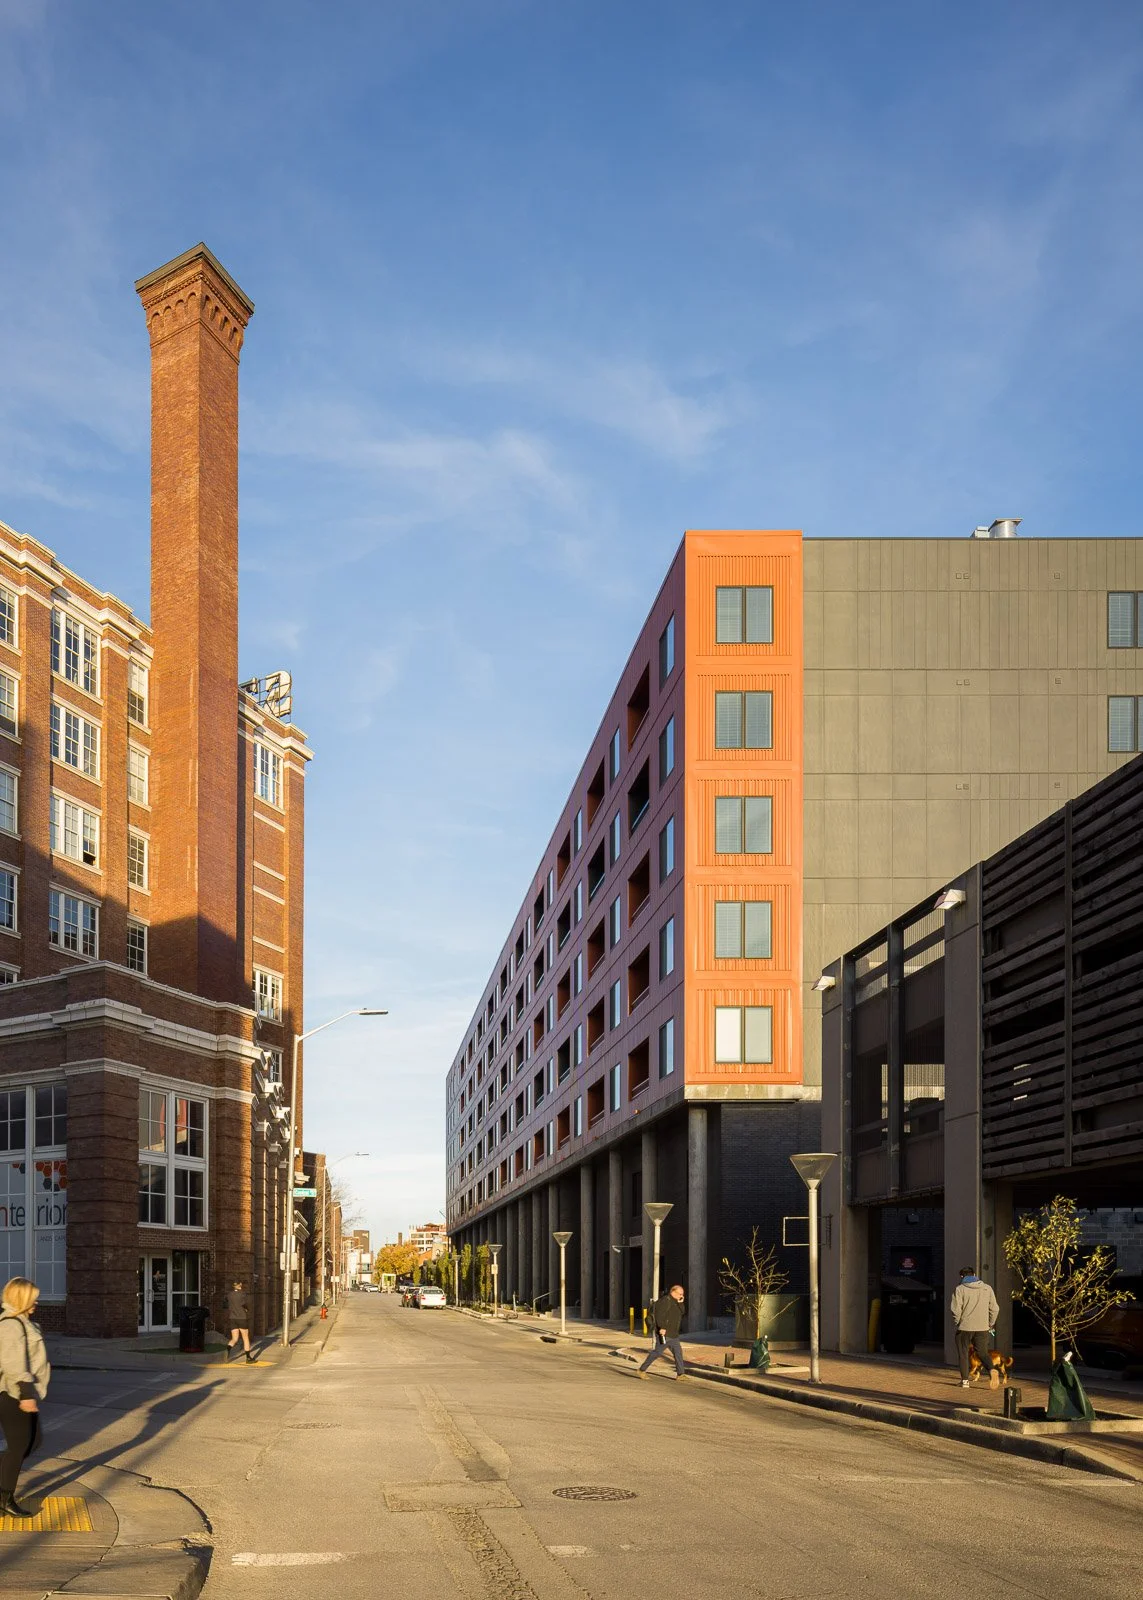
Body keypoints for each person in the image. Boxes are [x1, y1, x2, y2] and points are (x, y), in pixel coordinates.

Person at [0, 1277, 51, 1517]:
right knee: (20, 1446)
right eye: (33, 1297)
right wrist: (26, 1395)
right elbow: (14, 1364)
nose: (37, 1301)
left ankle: (4, 1482)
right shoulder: (11, 1325)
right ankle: (5, 1498)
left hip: (23, 1393)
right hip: (14, 1394)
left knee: (32, 1442)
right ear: (21, 1299)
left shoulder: (23, 1322)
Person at [950, 1266, 999, 1388]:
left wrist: (958, 1322)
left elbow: (955, 1309)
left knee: (963, 1354)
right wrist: (990, 1323)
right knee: (982, 1353)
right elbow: (995, 1308)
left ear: (962, 1277)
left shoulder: (960, 1289)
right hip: (982, 1327)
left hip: (965, 1328)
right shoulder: (987, 1288)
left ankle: (965, 1381)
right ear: (975, 1274)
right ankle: (991, 1369)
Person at [636, 1285, 687, 1380]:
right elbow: (659, 1316)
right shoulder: (665, 1301)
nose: (682, 1296)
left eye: (682, 1294)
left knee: (678, 1353)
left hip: (673, 1334)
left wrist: (681, 1303)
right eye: (680, 1294)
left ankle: (680, 1374)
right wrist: (662, 1328)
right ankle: (642, 1370)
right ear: (673, 1292)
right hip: (664, 1333)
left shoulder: (676, 1302)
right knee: (657, 1352)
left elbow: (682, 1312)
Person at [226, 1281, 255, 1363]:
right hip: (242, 1318)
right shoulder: (242, 1294)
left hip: (233, 1318)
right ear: (240, 1285)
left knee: (234, 1338)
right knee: (245, 1338)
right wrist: (247, 1309)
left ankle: (227, 1351)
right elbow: (245, 1304)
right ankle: (248, 1358)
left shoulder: (229, 1295)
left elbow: (225, 1304)